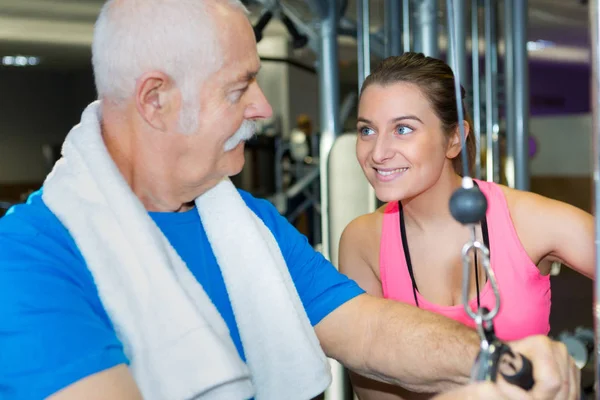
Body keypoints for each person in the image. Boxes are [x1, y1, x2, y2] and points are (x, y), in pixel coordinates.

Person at [0, 2, 577, 400]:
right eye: (238, 87)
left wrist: (495, 358)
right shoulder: (32, 261)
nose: (264, 109)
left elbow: (369, 332)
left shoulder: (242, 224)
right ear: (156, 100)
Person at [339, 52, 592, 399]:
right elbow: (374, 388)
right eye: (367, 130)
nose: (378, 152)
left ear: (455, 138)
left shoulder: (527, 220)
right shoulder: (362, 241)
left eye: (402, 129)